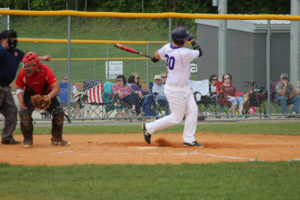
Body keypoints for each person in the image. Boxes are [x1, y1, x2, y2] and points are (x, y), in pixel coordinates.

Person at [142, 27, 203, 147]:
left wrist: (155, 59)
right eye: (185, 39)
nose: (187, 41)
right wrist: (193, 41)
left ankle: (188, 139)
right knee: (176, 118)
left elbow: (156, 54)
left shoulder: (167, 47)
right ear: (181, 41)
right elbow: (199, 52)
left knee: (193, 110)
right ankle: (148, 127)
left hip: (184, 87)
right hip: (176, 89)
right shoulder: (184, 53)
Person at [0, 29, 50, 145]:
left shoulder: (15, 52)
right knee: (12, 111)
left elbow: (29, 58)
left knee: (12, 112)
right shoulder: (1, 51)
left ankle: (7, 137)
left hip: (5, 88)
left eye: (14, 39)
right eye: (10, 38)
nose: (13, 41)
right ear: (2, 39)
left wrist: (43, 58)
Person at [16, 52, 70, 147]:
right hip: (30, 93)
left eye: (29, 66)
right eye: (25, 65)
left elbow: (56, 88)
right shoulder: (22, 73)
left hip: (46, 92)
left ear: (36, 65)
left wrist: (48, 97)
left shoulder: (45, 70)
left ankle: (57, 139)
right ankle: (28, 140)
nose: (26, 68)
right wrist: (21, 100)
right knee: (25, 114)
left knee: (59, 113)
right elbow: (19, 89)